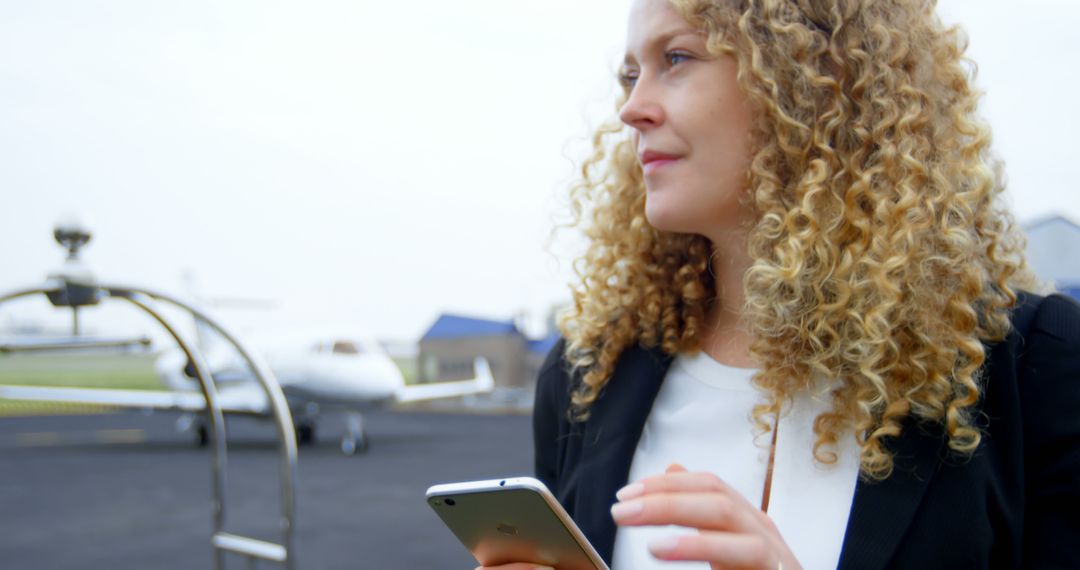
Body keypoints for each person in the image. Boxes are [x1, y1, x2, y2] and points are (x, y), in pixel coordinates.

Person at [482, 0, 1080, 568]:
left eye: (678, 59)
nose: (632, 107)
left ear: (814, 76)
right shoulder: (587, 373)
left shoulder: (1037, 365)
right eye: (631, 73)